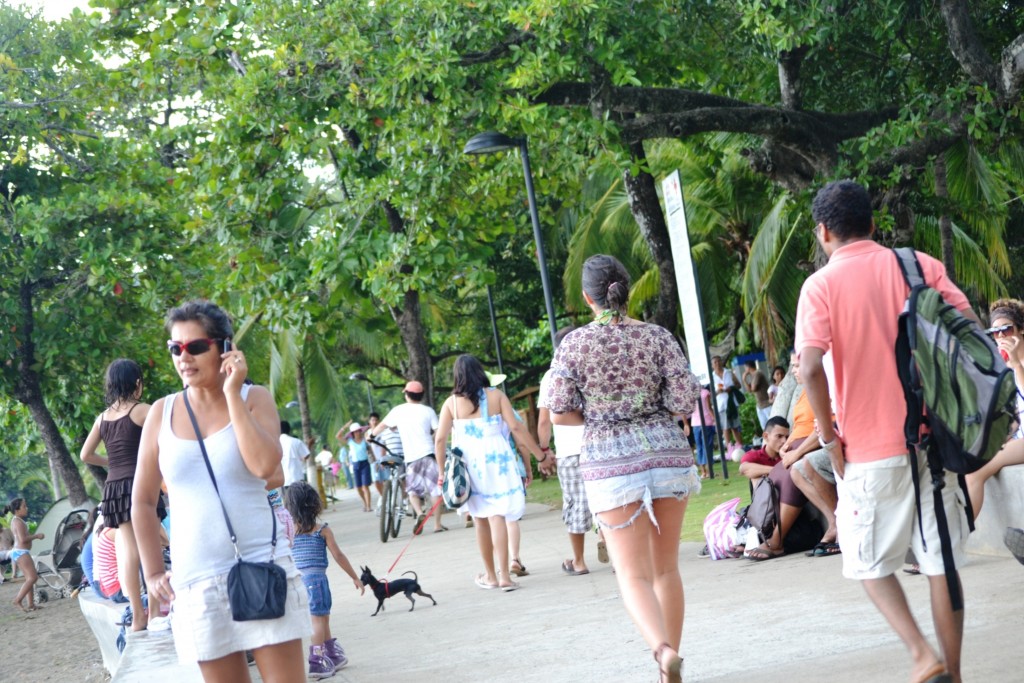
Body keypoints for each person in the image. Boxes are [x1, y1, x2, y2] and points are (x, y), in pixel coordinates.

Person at [796, 180, 976, 683]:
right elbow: (971, 331)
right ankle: (953, 674)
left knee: (868, 562)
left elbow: (810, 367)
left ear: (823, 231)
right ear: (873, 224)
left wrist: (829, 440)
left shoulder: (821, 286)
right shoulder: (917, 265)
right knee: (941, 563)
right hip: (935, 441)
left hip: (869, 449)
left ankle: (922, 654)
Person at [542, 254, 699, 683]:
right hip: (667, 453)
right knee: (666, 568)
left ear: (587, 298)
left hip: (611, 462)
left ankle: (662, 651)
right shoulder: (659, 337)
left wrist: (600, 418)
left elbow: (557, 411)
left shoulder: (572, 344)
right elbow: (685, 401)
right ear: (626, 290)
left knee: (632, 575)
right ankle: (672, 665)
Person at [132, 300, 308, 683]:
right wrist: (153, 572)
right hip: (197, 581)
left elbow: (265, 466)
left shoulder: (254, 399)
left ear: (224, 348)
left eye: (195, 347)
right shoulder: (160, 414)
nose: (184, 357)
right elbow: (143, 502)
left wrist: (232, 393)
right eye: (175, 348)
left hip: (261, 565)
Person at [434, 354, 546, 592]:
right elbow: (516, 427)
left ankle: (490, 576)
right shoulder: (496, 395)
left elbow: (440, 439)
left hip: (470, 463)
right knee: (499, 517)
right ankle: (505, 576)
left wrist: (442, 471)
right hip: (499, 461)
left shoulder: (451, 403)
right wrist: (540, 456)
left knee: (480, 520)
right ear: (480, 372)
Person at [80, 358, 158, 630]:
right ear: (137, 383)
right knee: (151, 544)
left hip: (113, 487)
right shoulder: (143, 410)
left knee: (128, 550)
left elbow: (85, 454)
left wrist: (111, 462)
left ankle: (138, 616)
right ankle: (157, 611)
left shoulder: (102, 418)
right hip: (139, 483)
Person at [284, 482, 364, 678]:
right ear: (315, 505)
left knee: (323, 617)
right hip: (316, 581)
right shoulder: (322, 530)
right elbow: (338, 555)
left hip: (298, 581)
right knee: (318, 620)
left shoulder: (289, 532)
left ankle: (331, 654)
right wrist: (354, 577)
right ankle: (317, 661)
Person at [537, 327, 594, 576]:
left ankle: (579, 561)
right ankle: (613, 553)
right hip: (597, 444)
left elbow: (544, 421)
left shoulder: (551, 377)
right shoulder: (593, 369)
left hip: (570, 451)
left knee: (575, 504)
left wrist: (544, 450)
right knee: (604, 499)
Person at [966, 298, 1024, 518]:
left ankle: (958, 540)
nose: (1001, 337)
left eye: (1006, 330)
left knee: (975, 473)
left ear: (1020, 330)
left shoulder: (1015, 365)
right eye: (995, 332)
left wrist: (1017, 366)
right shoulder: (1000, 367)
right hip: (1017, 435)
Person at [371, 382, 446, 534]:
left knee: (412, 491)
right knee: (435, 491)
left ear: (406, 394)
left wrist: (371, 435)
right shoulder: (428, 411)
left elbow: (381, 427)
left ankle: (419, 513)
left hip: (411, 458)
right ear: (421, 395)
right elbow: (439, 432)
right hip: (429, 454)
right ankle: (437, 525)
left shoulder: (398, 410)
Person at [4, 497, 44, 611]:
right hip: (21, 552)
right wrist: (37, 536)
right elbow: (23, 539)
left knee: (29, 578)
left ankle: (31, 604)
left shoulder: (17, 520)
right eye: (24, 506)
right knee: (33, 577)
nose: (27, 508)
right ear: (17, 510)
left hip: (19, 552)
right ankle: (17, 600)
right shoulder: (18, 521)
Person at [336, 421, 372, 512]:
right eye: (355, 431)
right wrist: (344, 427)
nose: (357, 433)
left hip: (365, 464)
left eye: (359, 431)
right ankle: (364, 502)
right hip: (356, 465)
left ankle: (368, 506)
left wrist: (375, 461)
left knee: (365, 486)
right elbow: (338, 436)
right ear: (352, 433)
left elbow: (370, 451)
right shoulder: (350, 441)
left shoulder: (365, 440)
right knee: (359, 488)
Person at [683, 384, 716, 479]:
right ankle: (710, 471)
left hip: (695, 423)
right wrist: (715, 420)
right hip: (706, 422)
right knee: (708, 447)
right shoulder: (705, 393)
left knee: (699, 447)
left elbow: (684, 410)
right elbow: (709, 409)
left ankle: (703, 472)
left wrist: (686, 423)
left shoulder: (690, 394)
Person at [711, 355, 743, 450]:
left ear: (721, 362)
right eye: (715, 362)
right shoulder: (711, 376)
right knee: (725, 427)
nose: (717, 364)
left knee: (735, 426)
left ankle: (740, 446)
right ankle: (729, 448)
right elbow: (711, 393)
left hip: (732, 402)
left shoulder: (728, 372)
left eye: (719, 361)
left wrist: (731, 388)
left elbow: (738, 385)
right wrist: (718, 392)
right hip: (721, 404)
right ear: (712, 365)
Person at [743, 361, 772, 430]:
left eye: (745, 368)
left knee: (772, 424)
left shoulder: (758, 373)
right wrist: (744, 380)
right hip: (760, 405)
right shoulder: (753, 376)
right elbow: (749, 390)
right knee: (764, 427)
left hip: (766, 404)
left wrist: (744, 378)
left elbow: (753, 388)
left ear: (748, 368)